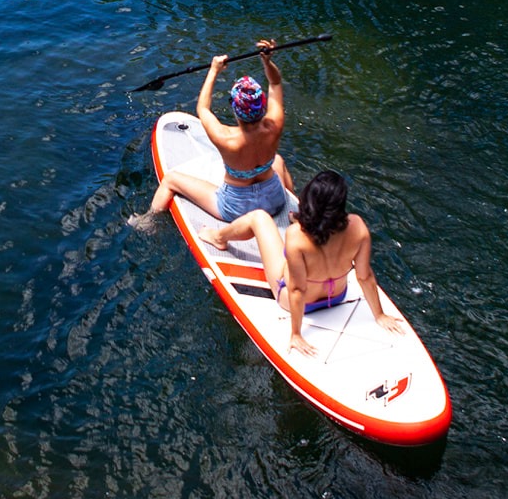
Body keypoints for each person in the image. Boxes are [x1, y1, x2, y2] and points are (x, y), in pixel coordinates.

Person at [134, 40, 294, 290]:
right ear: (263, 106)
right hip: (274, 198)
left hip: (235, 208)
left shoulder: (225, 137)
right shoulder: (275, 124)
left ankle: (148, 221)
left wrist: (214, 70)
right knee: (279, 161)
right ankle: (294, 208)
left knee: (172, 179)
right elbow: (275, 82)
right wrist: (267, 60)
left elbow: (203, 108)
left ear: (235, 109)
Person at [277, 171, 407, 358]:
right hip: (336, 296)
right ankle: (299, 218)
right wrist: (379, 315)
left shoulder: (295, 234)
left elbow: (297, 290)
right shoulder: (358, 226)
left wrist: (296, 334)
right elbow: (364, 276)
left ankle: (219, 237)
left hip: (301, 303)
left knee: (259, 220)